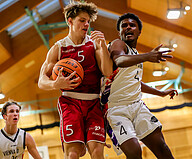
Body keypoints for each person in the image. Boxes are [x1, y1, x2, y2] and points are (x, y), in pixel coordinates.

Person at [38, 1, 112, 159]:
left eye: (88, 21)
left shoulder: (94, 45)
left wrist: (104, 47)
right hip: (70, 102)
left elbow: (107, 71)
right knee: (72, 154)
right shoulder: (58, 48)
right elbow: (41, 81)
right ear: (69, 21)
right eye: (82, 20)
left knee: (97, 152)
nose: (86, 24)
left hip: (94, 102)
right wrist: (55, 84)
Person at [105, 13, 178, 159]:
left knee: (162, 148)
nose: (128, 27)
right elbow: (119, 60)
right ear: (119, 32)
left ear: (139, 31)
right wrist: (147, 57)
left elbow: (136, 82)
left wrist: (161, 93)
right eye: (124, 26)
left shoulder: (135, 54)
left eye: (132, 25)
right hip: (116, 109)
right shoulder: (118, 44)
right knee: (134, 152)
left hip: (137, 106)